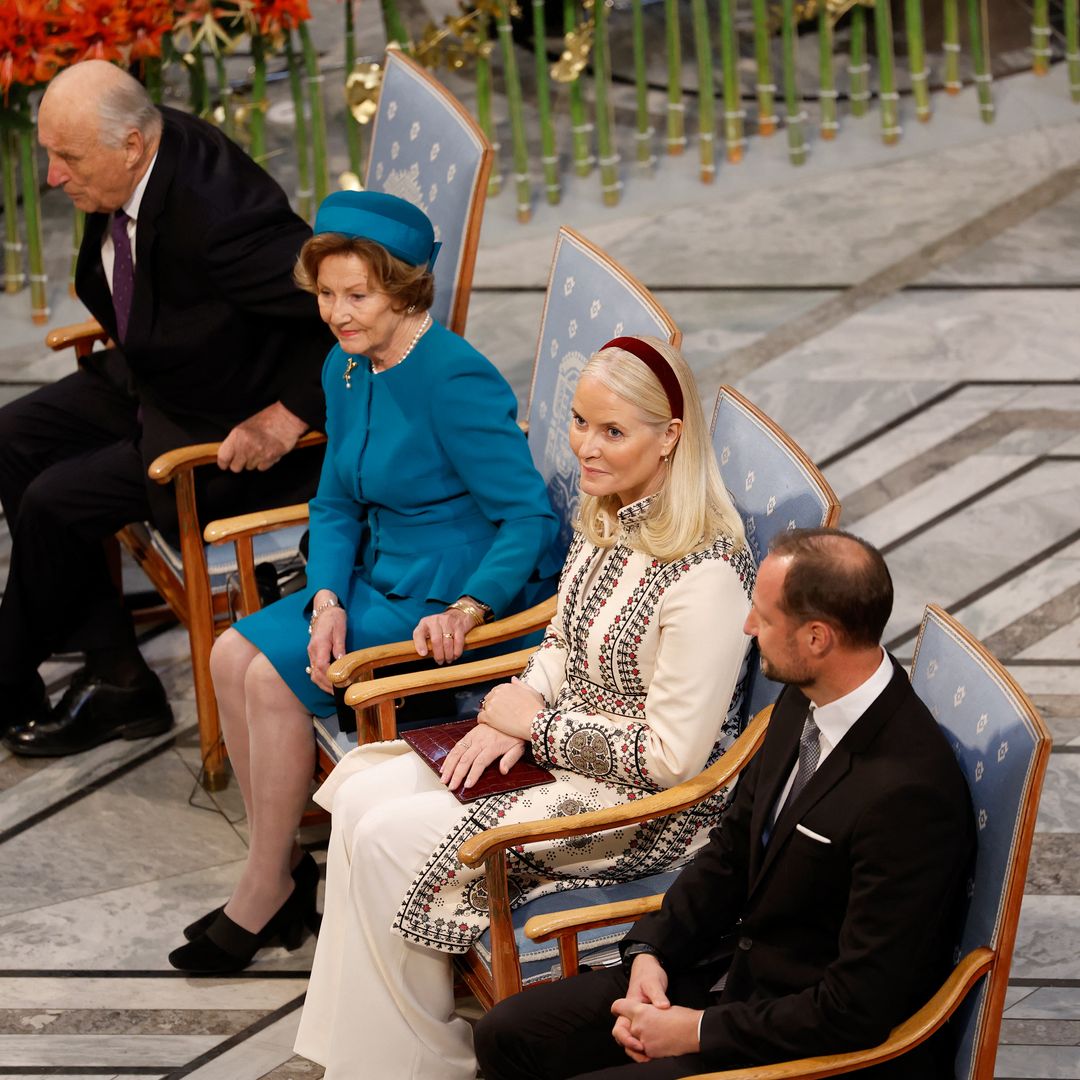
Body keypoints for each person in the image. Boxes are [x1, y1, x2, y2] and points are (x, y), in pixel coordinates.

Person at [291, 335, 758, 1080]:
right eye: (579, 422)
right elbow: (561, 640)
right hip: (558, 745)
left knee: (388, 836)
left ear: (671, 436)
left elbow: (675, 760)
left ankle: (417, 1061)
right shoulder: (609, 511)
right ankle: (382, 1052)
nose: (585, 448)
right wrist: (528, 697)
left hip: (650, 808)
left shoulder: (707, 571)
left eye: (612, 432)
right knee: (358, 792)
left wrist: (532, 725)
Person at [167, 189, 562, 975]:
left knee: (274, 683)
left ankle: (264, 889)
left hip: (446, 603)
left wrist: (469, 603)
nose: (338, 313)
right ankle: (279, 873)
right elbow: (336, 499)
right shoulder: (344, 365)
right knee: (227, 659)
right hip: (374, 579)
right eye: (326, 295)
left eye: (358, 295)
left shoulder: (455, 379)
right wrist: (325, 598)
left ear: (404, 289)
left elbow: (529, 519)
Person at [474, 528, 977, 1080]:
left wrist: (692, 1032)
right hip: (728, 974)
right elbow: (731, 851)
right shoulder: (806, 696)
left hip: (807, 1047)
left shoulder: (909, 795)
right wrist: (652, 952)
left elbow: (854, 1008)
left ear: (816, 638)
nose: (747, 627)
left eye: (763, 615)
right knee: (507, 1032)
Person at [0, 60, 331, 755]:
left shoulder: (224, 218)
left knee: (55, 503)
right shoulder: (138, 150)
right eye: (49, 154)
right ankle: (117, 675)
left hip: (225, 431)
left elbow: (352, 310)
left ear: (131, 145)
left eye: (67, 157)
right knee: (11, 438)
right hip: (162, 377)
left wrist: (289, 414)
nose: (53, 177)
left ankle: (13, 673)